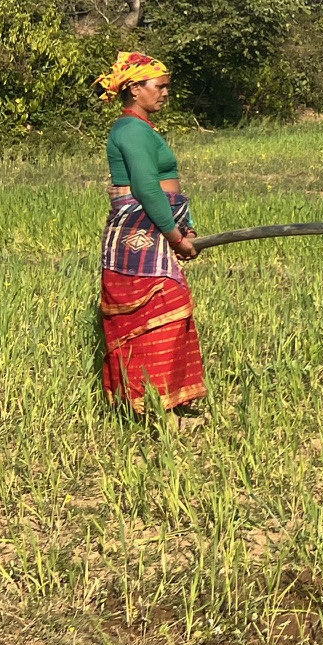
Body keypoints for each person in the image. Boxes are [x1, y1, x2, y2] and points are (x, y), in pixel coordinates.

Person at [96, 51, 206, 418]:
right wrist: (175, 236)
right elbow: (146, 186)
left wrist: (181, 226)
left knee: (173, 310)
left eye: (166, 87)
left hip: (155, 226)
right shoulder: (129, 130)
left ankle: (171, 400)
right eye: (159, 87)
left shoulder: (142, 128)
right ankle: (145, 404)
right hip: (138, 233)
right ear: (134, 88)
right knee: (160, 308)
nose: (165, 94)